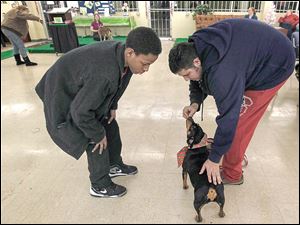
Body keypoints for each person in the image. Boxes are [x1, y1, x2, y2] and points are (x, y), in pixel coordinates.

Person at [35, 27, 162, 198]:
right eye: (145, 63)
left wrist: (112, 105)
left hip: (83, 87)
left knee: (109, 124)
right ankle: (100, 185)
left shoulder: (124, 57)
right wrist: (97, 134)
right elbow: (80, 112)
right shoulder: (104, 74)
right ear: (130, 52)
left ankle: (114, 165)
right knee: (94, 138)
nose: (146, 69)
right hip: (62, 93)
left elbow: (120, 83)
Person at [168, 19, 295, 186]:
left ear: (197, 62)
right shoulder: (196, 47)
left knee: (239, 123)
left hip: (276, 64)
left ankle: (232, 173)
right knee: (233, 121)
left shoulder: (222, 74)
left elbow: (229, 119)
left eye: (186, 74)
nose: (186, 79)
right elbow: (197, 78)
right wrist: (195, 103)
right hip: (254, 54)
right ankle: (232, 150)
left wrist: (214, 159)